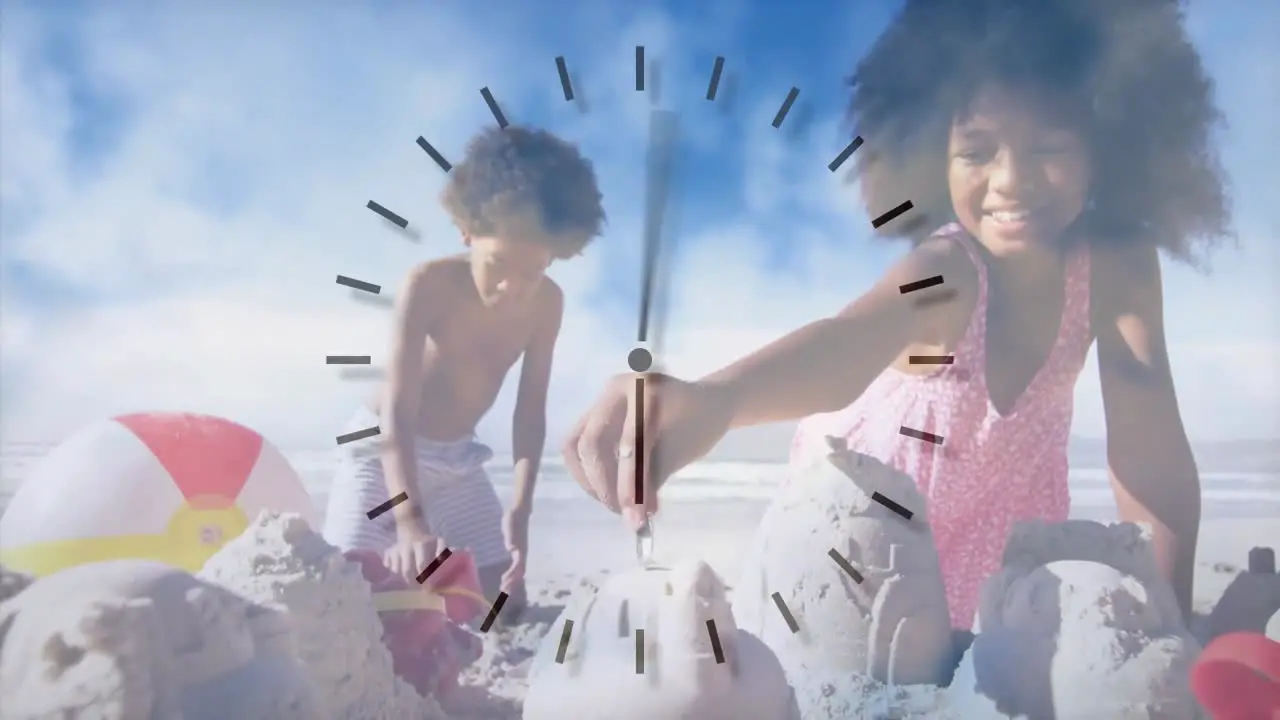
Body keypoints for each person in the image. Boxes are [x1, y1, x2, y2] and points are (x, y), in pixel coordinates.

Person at [562, 0, 1232, 630]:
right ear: (930, 156)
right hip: (861, 552)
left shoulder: (1116, 266)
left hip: (1001, 548)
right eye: (977, 151)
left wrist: (1170, 615)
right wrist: (718, 396)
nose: (1010, 180)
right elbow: (843, 345)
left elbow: (1150, 443)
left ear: (1106, 143)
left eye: (1048, 149)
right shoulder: (950, 270)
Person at [324, 125, 605, 622]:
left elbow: (529, 414)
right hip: (383, 449)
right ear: (467, 230)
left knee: (502, 606)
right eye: (497, 263)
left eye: (532, 270)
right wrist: (409, 522)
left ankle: (430, 586)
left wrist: (520, 510)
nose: (511, 287)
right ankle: (398, 562)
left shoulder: (547, 304)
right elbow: (396, 412)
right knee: (344, 595)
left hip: (459, 463)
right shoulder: (428, 284)